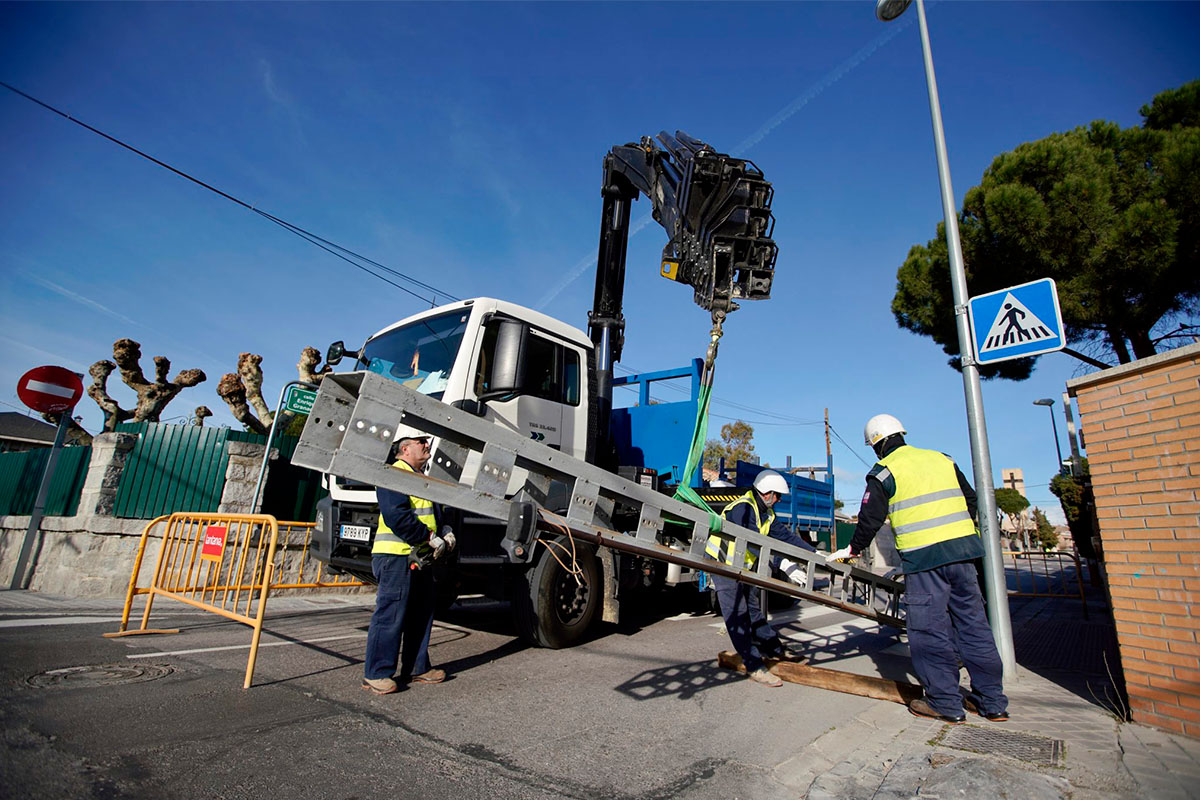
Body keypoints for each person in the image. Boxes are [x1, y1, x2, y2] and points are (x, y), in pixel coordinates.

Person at [827, 414, 1009, 724]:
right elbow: (971, 499)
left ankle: (944, 703)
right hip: (964, 555)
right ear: (900, 434)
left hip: (925, 562)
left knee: (929, 631)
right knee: (974, 627)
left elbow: (869, 519)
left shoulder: (884, 472)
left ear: (876, 445)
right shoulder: (942, 460)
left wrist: (852, 550)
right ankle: (992, 702)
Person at [362, 434, 455, 695]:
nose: (427, 445)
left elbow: (431, 513)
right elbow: (397, 516)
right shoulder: (395, 473)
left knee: (420, 614)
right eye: (420, 442)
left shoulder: (419, 476)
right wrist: (428, 537)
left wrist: (444, 528)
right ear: (404, 449)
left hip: (421, 557)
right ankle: (377, 674)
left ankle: (417, 668)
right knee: (391, 615)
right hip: (396, 556)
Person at [706, 469, 817, 687]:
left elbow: (786, 538)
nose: (779, 500)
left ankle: (775, 650)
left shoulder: (766, 513)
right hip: (721, 564)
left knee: (753, 609)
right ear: (766, 493)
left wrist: (815, 555)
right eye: (778, 495)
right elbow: (752, 542)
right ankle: (755, 665)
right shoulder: (743, 508)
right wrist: (783, 563)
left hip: (742, 566)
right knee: (737, 615)